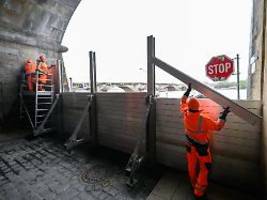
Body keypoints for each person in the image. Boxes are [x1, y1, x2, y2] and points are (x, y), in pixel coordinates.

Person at [180, 83, 230, 199]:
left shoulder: (185, 113)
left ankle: (193, 185)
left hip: (189, 147)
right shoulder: (204, 120)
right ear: (198, 108)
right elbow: (218, 127)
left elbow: (182, 102)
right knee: (205, 169)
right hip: (202, 150)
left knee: (191, 166)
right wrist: (223, 115)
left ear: (189, 107)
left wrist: (188, 91)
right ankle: (199, 192)